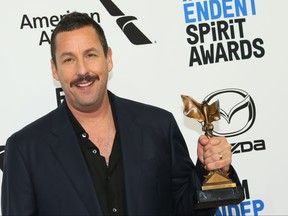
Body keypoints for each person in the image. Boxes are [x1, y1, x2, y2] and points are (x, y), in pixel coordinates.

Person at [1, 12, 241, 215]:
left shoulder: (158, 126)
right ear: (55, 70)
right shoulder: (25, 150)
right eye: (68, 60)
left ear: (108, 59)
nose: (82, 70)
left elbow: (187, 209)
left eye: (90, 55)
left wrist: (213, 170)